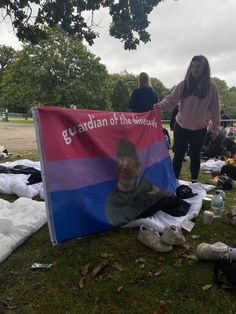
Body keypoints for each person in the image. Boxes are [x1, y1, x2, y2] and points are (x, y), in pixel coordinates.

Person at [153, 55, 220, 182]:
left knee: (195, 157)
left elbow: (215, 110)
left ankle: (194, 181)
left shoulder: (211, 87)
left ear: (205, 69)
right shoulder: (184, 85)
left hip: (199, 129)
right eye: (193, 67)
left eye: (198, 67)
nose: (195, 69)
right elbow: (171, 100)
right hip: (181, 126)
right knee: (178, 156)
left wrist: (215, 129)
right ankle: (173, 182)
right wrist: (159, 106)